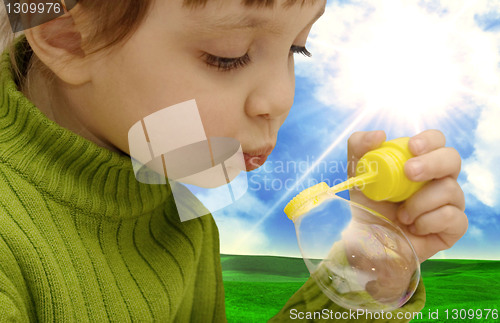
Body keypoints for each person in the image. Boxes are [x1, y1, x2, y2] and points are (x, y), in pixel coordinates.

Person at [0, 0, 468, 322]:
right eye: (229, 56)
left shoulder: (179, 216)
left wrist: (375, 266)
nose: (280, 98)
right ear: (66, 36)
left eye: (296, 48)